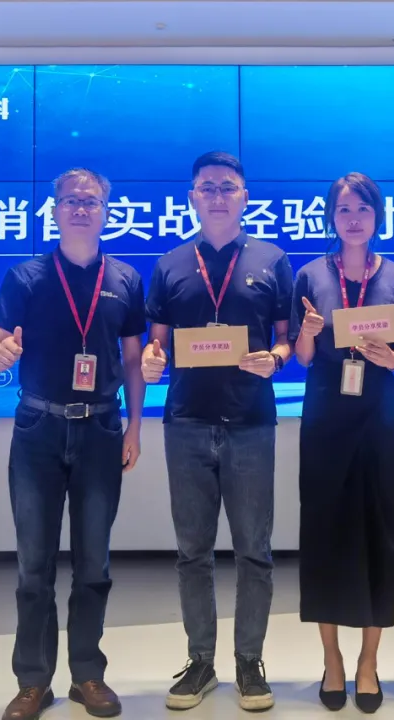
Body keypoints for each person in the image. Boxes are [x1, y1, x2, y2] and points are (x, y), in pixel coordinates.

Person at [0, 168, 146, 720]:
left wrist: (136, 427)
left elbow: (133, 360)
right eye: (71, 201)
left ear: (105, 212)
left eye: (91, 201)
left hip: (102, 428)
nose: (81, 208)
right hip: (39, 429)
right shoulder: (25, 277)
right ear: (54, 211)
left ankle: (87, 676)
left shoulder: (125, 279)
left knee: (94, 563)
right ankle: (33, 682)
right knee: (34, 565)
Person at [141, 151, 294, 712]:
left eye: (228, 187)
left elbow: (285, 338)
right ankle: (200, 661)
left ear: (244, 196)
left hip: (251, 422)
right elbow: (156, 341)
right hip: (186, 422)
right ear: (192, 198)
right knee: (192, 552)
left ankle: (249, 661)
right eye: (207, 187)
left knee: (254, 551)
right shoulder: (170, 264)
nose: (218, 196)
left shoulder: (273, 260)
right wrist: (152, 361)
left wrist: (276, 359)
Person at [290, 173, 394, 714]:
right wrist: (308, 332)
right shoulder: (310, 274)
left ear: (377, 216)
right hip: (325, 418)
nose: (354, 218)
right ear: (331, 218)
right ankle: (332, 659)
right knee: (324, 535)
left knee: (378, 533)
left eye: (363, 208)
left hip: (377, 418)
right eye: (344, 209)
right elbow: (301, 356)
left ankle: (368, 661)